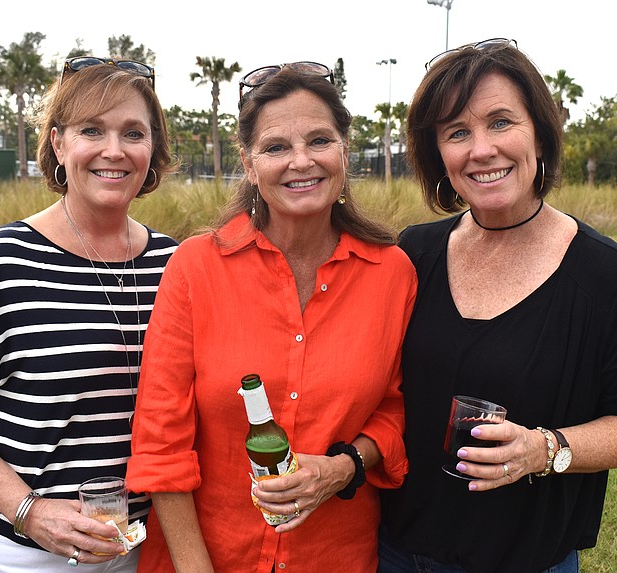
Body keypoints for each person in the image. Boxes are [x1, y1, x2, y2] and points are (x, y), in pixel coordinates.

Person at [378, 39, 617, 573]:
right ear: (438, 154)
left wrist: (542, 449)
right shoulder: (412, 254)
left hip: (525, 560)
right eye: (457, 132)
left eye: (500, 122)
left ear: (538, 131)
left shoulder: (607, 278)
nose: (481, 149)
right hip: (394, 553)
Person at [126, 63, 418, 572]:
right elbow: (160, 444)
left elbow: (396, 412)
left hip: (337, 557)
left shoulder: (392, 274)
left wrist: (341, 468)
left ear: (344, 151)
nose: (300, 162)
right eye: (276, 147)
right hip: (207, 557)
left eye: (319, 141)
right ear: (249, 161)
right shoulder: (195, 268)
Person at [0, 57, 178, 572]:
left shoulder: (174, 264)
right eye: (91, 130)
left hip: (149, 547)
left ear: (153, 148)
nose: (114, 150)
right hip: (34, 554)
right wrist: (29, 511)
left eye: (133, 133)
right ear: (58, 143)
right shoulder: (3, 262)